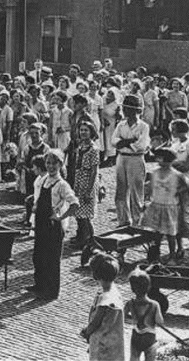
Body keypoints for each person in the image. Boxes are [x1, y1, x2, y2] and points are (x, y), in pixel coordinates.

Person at [28, 150, 79, 300]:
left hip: (52, 225)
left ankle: (50, 292)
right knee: (38, 256)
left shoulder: (62, 184)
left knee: (52, 259)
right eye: (48, 163)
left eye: (54, 163)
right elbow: (39, 198)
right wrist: (36, 206)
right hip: (41, 222)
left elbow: (75, 204)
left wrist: (61, 216)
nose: (50, 166)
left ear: (60, 164)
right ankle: (39, 285)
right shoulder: (44, 180)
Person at [142, 148, 189, 262]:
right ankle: (156, 255)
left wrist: (177, 191)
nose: (157, 159)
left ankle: (172, 256)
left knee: (170, 234)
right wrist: (147, 195)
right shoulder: (155, 172)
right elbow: (150, 186)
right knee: (157, 233)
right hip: (157, 205)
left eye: (160, 157)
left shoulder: (175, 174)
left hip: (170, 207)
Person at [112, 94, 150, 227]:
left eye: (129, 108)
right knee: (120, 191)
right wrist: (129, 141)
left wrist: (123, 142)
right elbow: (114, 142)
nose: (125, 111)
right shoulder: (121, 124)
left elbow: (141, 146)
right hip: (121, 158)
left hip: (136, 159)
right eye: (125, 108)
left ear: (136, 110)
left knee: (136, 191)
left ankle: (137, 221)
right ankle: (123, 220)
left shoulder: (143, 126)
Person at [80, 253, 124, 361]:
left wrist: (86, 332)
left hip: (102, 343)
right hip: (114, 342)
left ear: (96, 275)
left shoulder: (104, 300)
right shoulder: (114, 292)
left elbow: (96, 322)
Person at [169, 119, 189, 263]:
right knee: (175, 219)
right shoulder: (174, 145)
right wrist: (175, 164)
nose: (172, 132)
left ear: (181, 130)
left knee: (187, 219)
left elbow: (187, 166)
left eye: (174, 129)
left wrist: (174, 164)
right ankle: (179, 248)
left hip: (185, 185)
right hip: (173, 185)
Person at [125, 268, 165, 361]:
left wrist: (132, 320)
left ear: (132, 289)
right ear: (148, 287)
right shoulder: (154, 304)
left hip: (135, 337)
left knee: (134, 358)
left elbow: (121, 317)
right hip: (149, 338)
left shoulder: (130, 303)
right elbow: (160, 322)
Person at [71, 121, 100, 249]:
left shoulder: (93, 149)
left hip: (87, 180)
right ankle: (80, 235)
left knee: (85, 214)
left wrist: (89, 190)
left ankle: (88, 239)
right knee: (78, 211)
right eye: (81, 130)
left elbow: (94, 171)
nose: (83, 132)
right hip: (79, 180)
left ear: (91, 132)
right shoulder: (80, 146)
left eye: (86, 130)